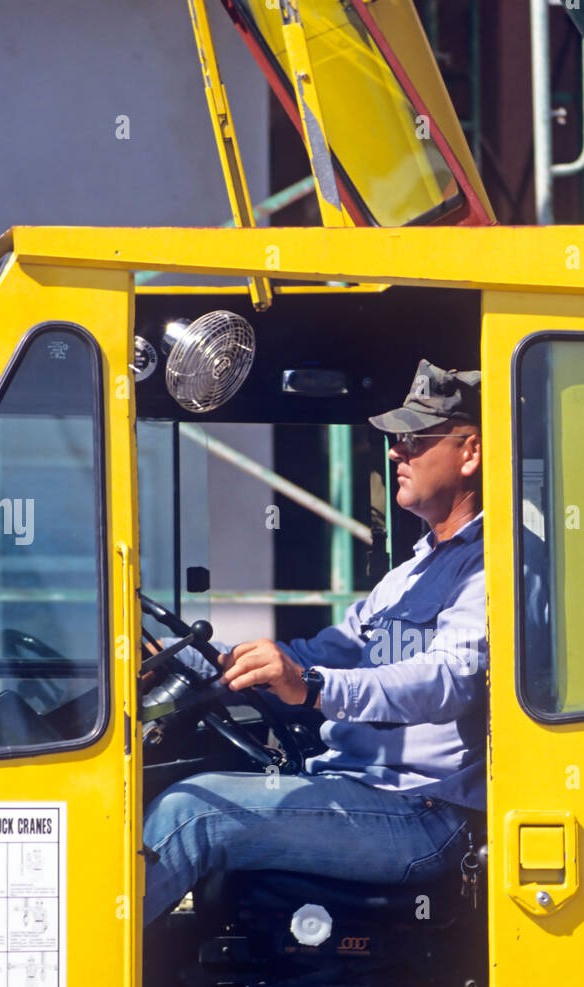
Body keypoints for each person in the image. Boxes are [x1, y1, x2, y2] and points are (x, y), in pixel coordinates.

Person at [142, 360, 486, 924]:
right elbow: (330, 650)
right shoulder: (411, 573)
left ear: (469, 451)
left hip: (423, 813)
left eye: (412, 439)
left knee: (192, 814)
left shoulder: (495, 565)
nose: (395, 453)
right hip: (357, 787)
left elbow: (450, 680)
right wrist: (202, 661)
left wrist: (313, 687)